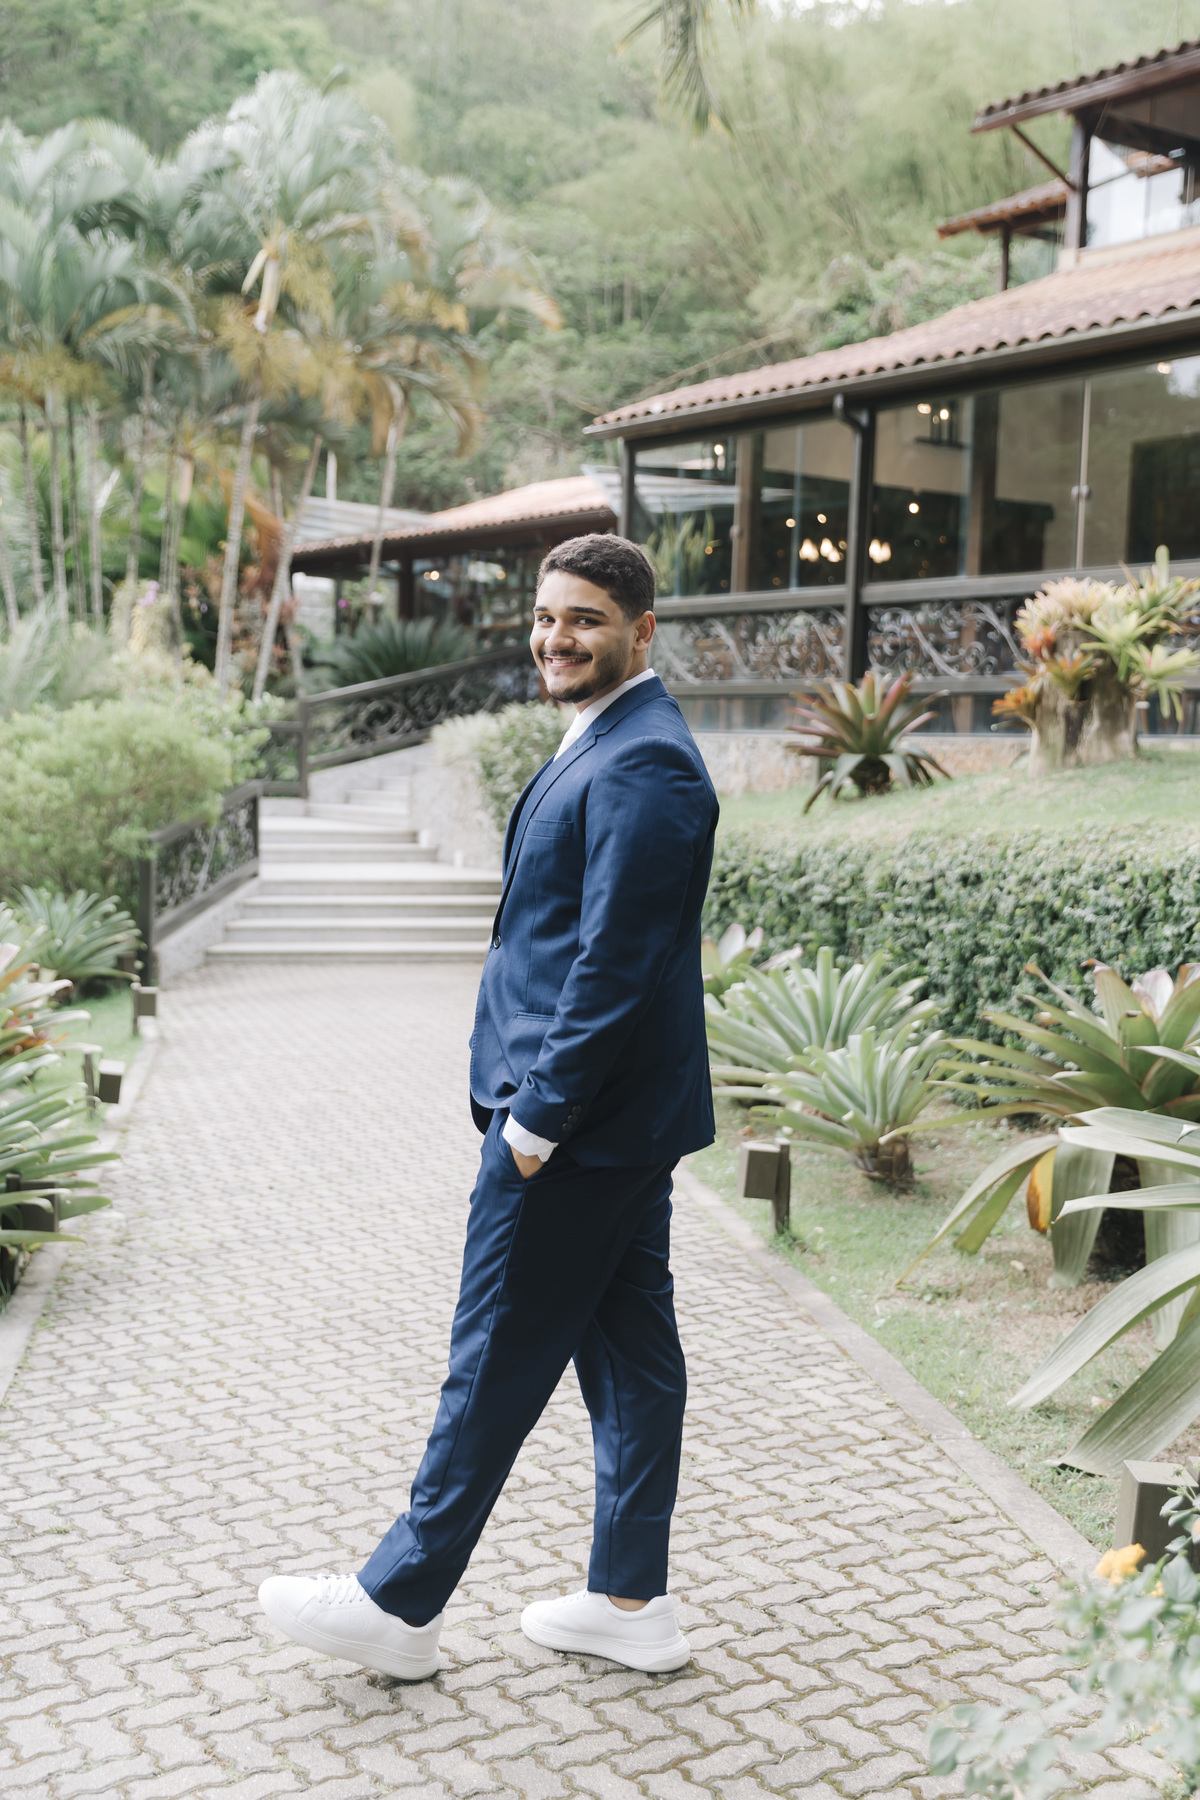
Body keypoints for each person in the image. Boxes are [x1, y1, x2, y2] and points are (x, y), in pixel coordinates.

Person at [259, 533, 719, 1679]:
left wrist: (536, 1121)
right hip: (615, 1127)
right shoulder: (609, 735)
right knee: (634, 1359)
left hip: (575, 1132)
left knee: (494, 1355)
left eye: (586, 620)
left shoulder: (648, 762)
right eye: (547, 617)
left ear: (642, 632)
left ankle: (397, 1602)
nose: (557, 638)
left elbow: (614, 963)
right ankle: (630, 1602)